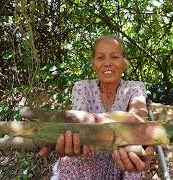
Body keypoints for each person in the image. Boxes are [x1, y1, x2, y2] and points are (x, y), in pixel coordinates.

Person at [39, 35, 154, 179]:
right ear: (93, 64)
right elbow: (79, 123)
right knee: (75, 154)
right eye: (100, 57)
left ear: (124, 63)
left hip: (119, 158)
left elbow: (138, 113)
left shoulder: (134, 87)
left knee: (133, 160)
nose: (107, 63)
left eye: (114, 57)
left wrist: (141, 132)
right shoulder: (82, 87)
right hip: (88, 156)